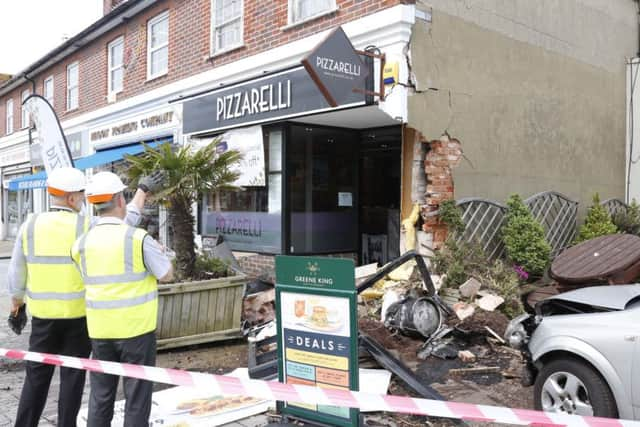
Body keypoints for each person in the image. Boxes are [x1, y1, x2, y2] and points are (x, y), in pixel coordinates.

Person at [8, 166, 161, 427]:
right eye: (81, 195)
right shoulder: (86, 225)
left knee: (35, 379)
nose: (83, 200)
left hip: (43, 319)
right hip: (79, 319)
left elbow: (16, 271)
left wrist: (17, 306)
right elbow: (124, 224)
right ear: (71, 198)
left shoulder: (30, 225)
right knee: (73, 381)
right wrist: (141, 193)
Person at [71, 171, 173, 427]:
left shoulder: (81, 244)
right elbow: (167, 275)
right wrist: (160, 253)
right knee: (137, 397)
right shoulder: (139, 239)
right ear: (119, 201)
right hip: (137, 331)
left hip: (100, 331)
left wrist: (142, 191)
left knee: (101, 396)